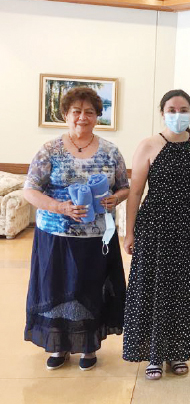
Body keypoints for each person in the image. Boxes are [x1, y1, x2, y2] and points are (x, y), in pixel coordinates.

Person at [24, 86, 130, 371]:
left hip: (97, 237)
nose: (83, 117)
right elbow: (30, 190)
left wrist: (115, 198)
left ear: (97, 117)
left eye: (89, 112)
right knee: (56, 288)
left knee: (90, 288)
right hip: (55, 236)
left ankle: (87, 345)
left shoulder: (110, 151)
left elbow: (124, 187)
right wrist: (60, 207)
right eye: (77, 111)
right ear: (66, 115)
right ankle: (58, 345)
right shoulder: (50, 150)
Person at [122, 89, 190, 380]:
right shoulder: (149, 144)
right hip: (154, 226)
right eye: (171, 110)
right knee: (154, 287)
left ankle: (177, 351)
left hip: (187, 226)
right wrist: (129, 232)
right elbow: (136, 192)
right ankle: (154, 354)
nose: (177, 115)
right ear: (162, 113)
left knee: (182, 288)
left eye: (183, 110)